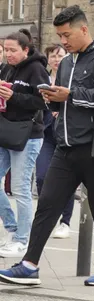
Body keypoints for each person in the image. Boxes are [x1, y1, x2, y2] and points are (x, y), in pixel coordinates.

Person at [0, 5, 94, 286]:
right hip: (65, 146)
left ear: (83, 29)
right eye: (59, 35)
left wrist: (71, 95)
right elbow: (61, 101)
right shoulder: (66, 62)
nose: (63, 41)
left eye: (67, 35)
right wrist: (49, 96)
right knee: (47, 204)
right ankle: (29, 265)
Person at [0, 30, 50, 257]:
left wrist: (13, 97)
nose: (7, 54)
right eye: (5, 49)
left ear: (25, 50)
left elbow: (42, 101)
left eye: (12, 50)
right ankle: (12, 228)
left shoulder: (36, 69)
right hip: (6, 131)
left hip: (28, 135)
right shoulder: (7, 68)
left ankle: (22, 239)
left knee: (20, 188)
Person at [33, 44, 76, 240]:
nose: (56, 59)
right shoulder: (43, 79)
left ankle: (65, 222)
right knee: (42, 176)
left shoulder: (72, 78)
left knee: (67, 181)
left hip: (67, 134)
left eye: (60, 55)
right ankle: (49, 214)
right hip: (47, 133)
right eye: (53, 56)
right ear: (48, 59)